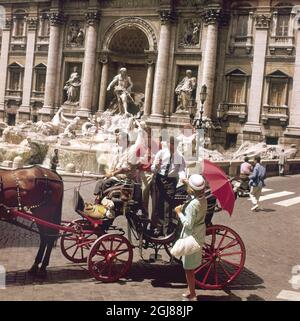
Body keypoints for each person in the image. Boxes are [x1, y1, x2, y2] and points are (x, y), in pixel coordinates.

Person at [174, 174, 207, 301]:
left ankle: (193, 294)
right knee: (189, 266)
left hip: (191, 236)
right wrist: (188, 182)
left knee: (188, 269)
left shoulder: (193, 205)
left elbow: (188, 224)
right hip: (199, 232)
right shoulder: (202, 199)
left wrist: (179, 212)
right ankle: (190, 289)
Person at [151, 136, 187, 236]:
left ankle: (166, 231)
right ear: (168, 144)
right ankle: (158, 227)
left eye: (174, 144)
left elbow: (181, 170)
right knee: (158, 204)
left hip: (171, 182)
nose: (172, 146)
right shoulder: (161, 153)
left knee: (167, 206)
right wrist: (156, 167)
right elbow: (152, 168)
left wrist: (183, 178)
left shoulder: (179, 157)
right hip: (159, 179)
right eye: (171, 144)